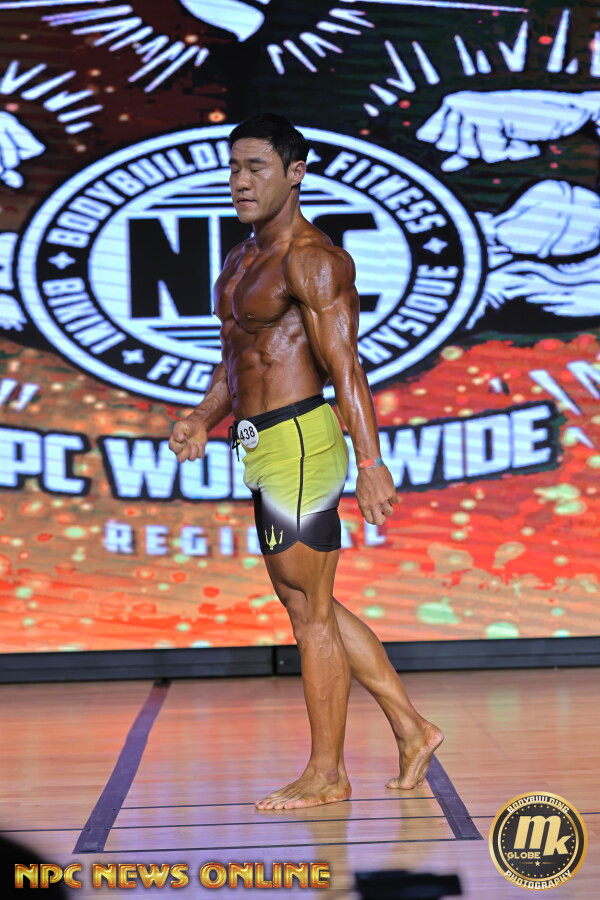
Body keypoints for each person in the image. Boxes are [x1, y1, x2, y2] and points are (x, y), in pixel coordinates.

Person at [168, 113, 443, 810]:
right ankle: (413, 729)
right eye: (233, 168)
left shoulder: (314, 258)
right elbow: (237, 361)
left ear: (295, 173)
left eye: (255, 167)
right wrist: (202, 417)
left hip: (299, 440)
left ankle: (327, 774)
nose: (240, 181)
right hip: (262, 444)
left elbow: (345, 365)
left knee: (308, 613)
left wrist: (370, 461)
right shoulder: (240, 259)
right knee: (306, 600)